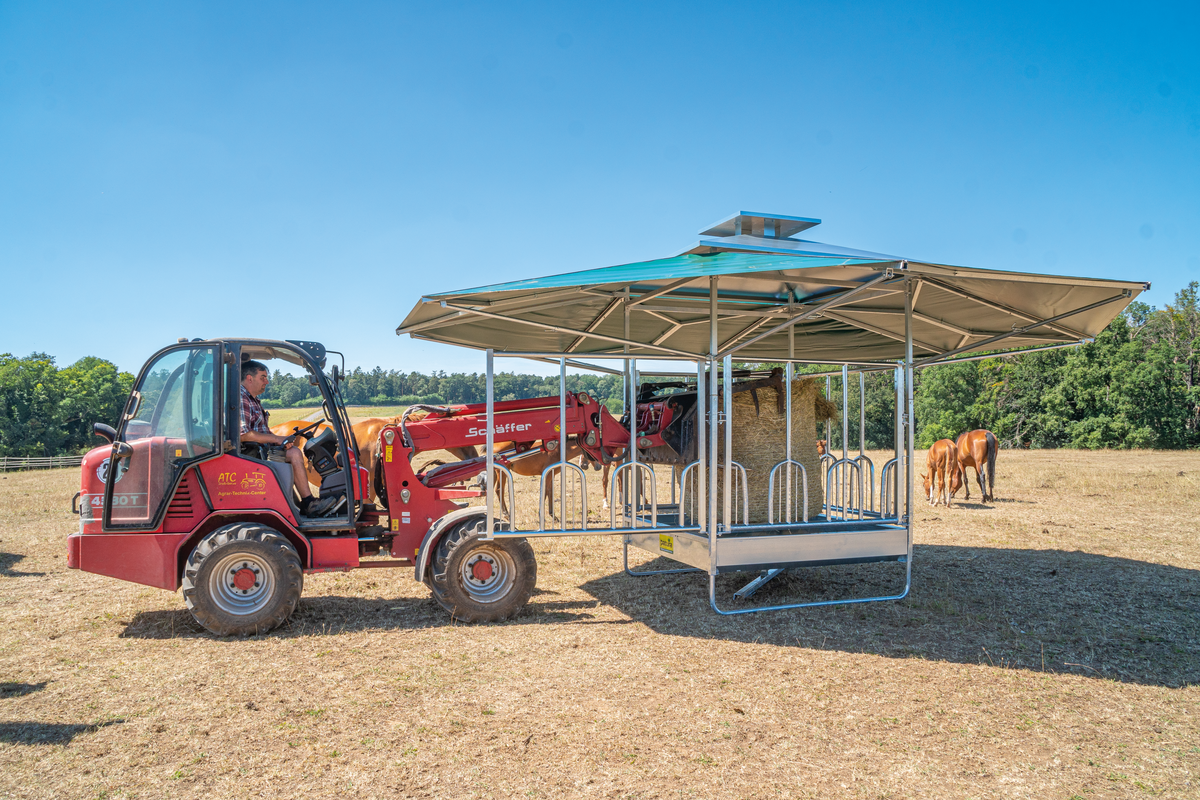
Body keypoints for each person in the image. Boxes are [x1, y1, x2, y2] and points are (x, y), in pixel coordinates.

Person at [239, 360, 337, 517]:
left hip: (260, 450)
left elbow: (261, 430)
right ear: (249, 378)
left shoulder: (253, 399)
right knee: (294, 453)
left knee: (292, 450)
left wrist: (281, 439)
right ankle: (308, 503)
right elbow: (244, 434)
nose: (267, 381)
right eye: (262, 377)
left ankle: (301, 503)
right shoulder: (241, 397)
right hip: (253, 454)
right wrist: (277, 440)